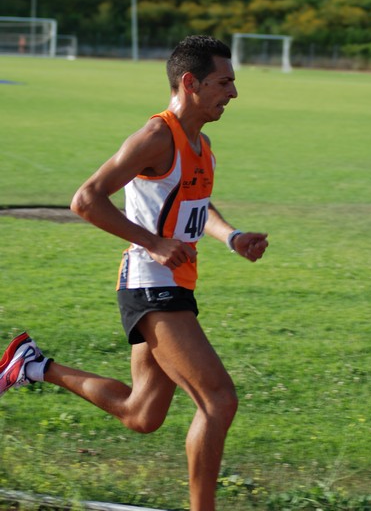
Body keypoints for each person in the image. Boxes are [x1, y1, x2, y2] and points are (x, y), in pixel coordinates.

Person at [0, 35, 268, 511]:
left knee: (142, 413)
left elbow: (197, 208)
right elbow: (86, 200)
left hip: (173, 285)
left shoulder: (200, 146)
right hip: (151, 284)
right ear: (190, 83)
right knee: (219, 400)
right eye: (224, 82)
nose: (233, 93)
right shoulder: (156, 136)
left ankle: (33, 365)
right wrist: (154, 243)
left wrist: (231, 236)